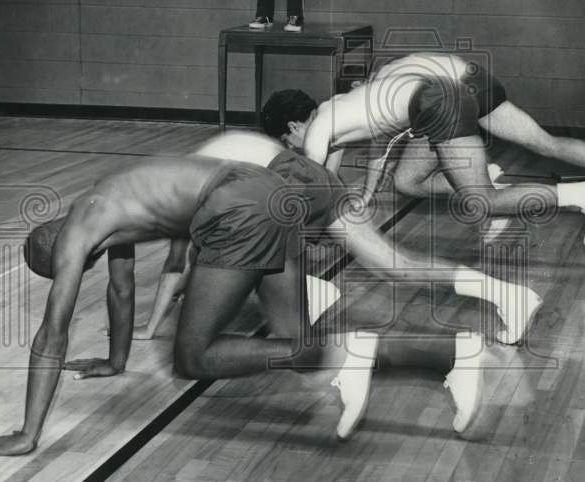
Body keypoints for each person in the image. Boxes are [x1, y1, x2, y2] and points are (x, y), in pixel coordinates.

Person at [0, 152, 502, 459]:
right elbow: (120, 290)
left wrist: (29, 433)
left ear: (56, 248)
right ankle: (447, 356)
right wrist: (114, 361)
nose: (77, 268)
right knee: (294, 340)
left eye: (63, 268)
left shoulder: (80, 230)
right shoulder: (103, 205)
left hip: (236, 209)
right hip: (268, 190)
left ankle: (357, 354)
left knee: (194, 358)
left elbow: (51, 334)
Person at [134, 130, 542, 346]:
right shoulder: (195, 162)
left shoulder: (178, 192)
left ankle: (312, 292)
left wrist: (151, 329)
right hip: (307, 176)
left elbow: (178, 264)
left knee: (239, 251)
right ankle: (506, 294)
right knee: (393, 265)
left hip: (281, 185)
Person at [261, 52, 585, 247]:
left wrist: (291, 236)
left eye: (287, 142)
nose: (291, 148)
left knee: (478, 198)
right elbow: (372, 149)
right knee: (409, 180)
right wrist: (365, 192)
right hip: (465, 79)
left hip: (437, 99)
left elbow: (312, 184)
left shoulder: (321, 126)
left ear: (294, 126)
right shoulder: (347, 107)